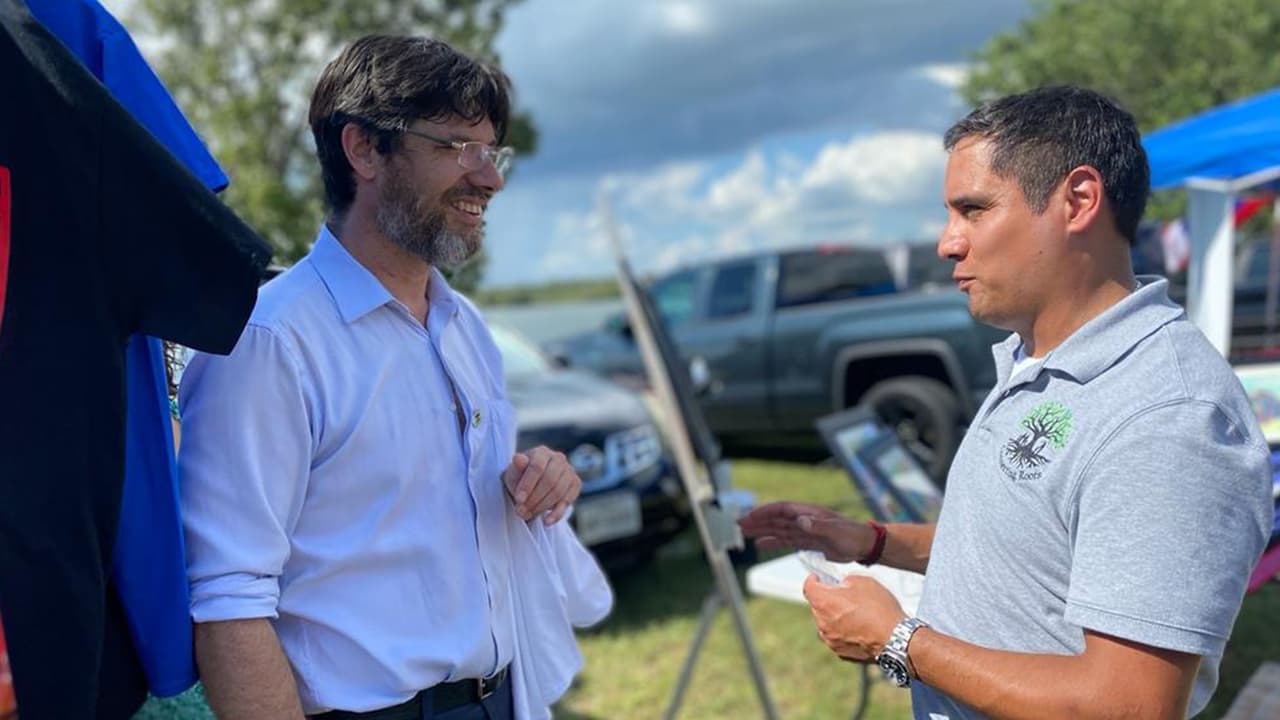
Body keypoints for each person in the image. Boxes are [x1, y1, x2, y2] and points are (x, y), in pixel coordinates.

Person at [739, 86, 1274, 719]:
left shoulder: (1168, 417)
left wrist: (899, 641)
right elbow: (1025, 548)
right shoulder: (1037, 359)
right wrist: (870, 540)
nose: (947, 243)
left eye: (973, 209)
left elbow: (1128, 706)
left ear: (1079, 201)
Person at [178, 35, 611, 720]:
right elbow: (227, 601)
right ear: (364, 150)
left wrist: (536, 480)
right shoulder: (268, 343)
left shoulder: (464, 326)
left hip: (501, 698)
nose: (490, 178)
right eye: (457, 147)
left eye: (492, 152)